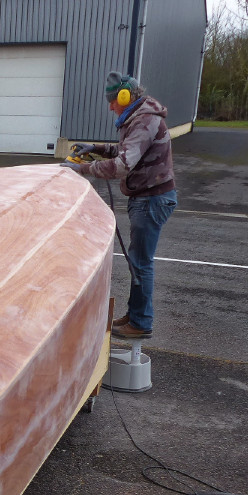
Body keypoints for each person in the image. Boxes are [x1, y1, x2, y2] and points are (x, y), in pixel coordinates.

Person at [63, 71, 177, 340]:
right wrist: (98, 148)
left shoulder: (145, 120)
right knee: (139, 262)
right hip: (147, 197)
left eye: (112, 100)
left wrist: (81, 169)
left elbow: (123, 165)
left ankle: (140, 322)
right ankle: (135, 315)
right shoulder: (140, 118)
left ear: (125, 96)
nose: (110, 106)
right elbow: (124, 151)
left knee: (140, 263)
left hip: (151, 199)